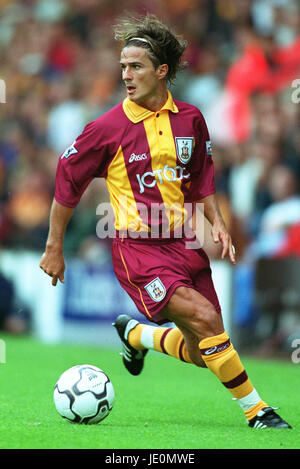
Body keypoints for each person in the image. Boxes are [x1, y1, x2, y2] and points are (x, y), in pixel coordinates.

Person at [40, 14, 291, 429]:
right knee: (207, 321)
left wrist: (219, 224)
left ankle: (137, 336)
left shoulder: (190, 119)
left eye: (135, 66)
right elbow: (68, 182)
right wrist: (54, 246)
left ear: (162, 71)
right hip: (138, 250)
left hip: (184, 244)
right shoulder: (106, 129)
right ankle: (257, 410)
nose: (126, 74)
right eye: (122, 66)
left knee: (204, 347)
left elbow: (202, 179)